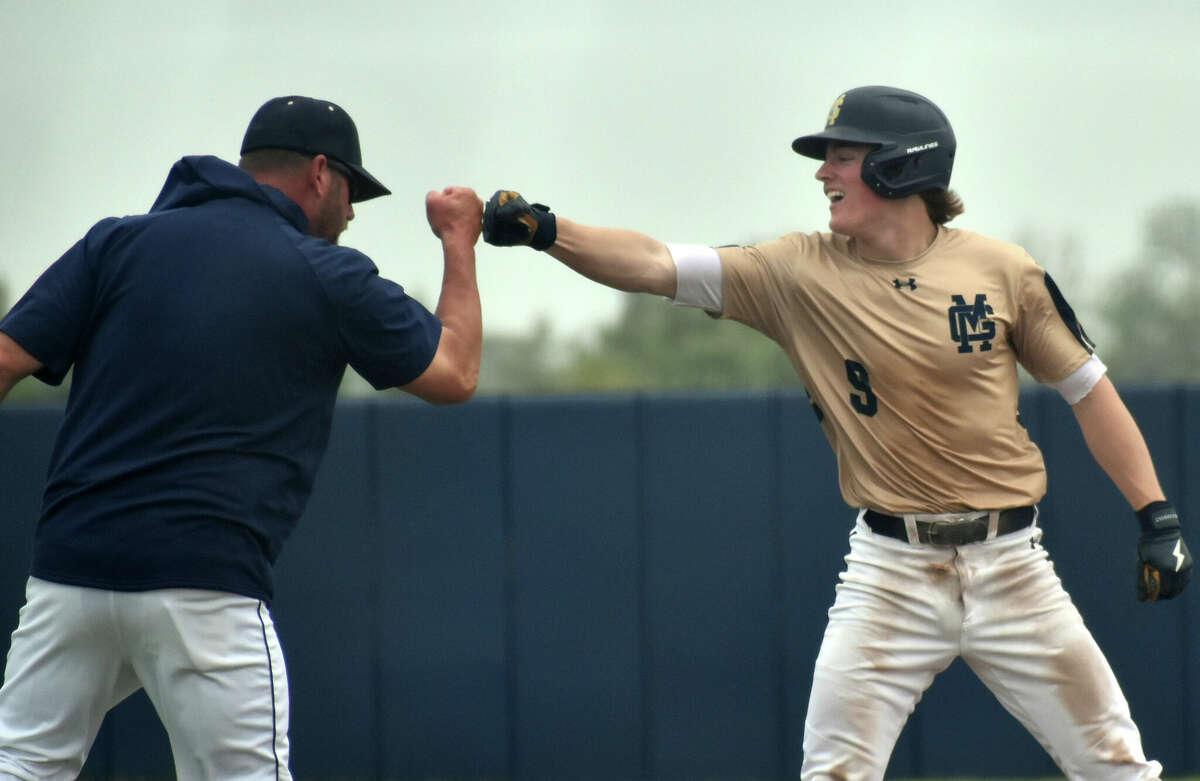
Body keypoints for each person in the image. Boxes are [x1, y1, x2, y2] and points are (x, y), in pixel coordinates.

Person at [480, 85, 1193, 780]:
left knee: (1116, 767)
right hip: (891, 572)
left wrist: (1155, 514)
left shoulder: (1003, 271)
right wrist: (550, 231)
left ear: (903, 163)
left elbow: (1088, 390)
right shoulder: (796, 270)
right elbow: (657, 264)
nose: (823, 173)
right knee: (834, 772)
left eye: (843, 156)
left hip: (1013, 564)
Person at [0, 95, 483, 778]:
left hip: (70, 575)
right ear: (320, 173)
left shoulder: (118, 242)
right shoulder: (324, 271)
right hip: (202, 585)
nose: (350, 212)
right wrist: (458, 243)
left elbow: (3, 359)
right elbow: (456, 371)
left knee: (19, 764)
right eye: (352, 191)